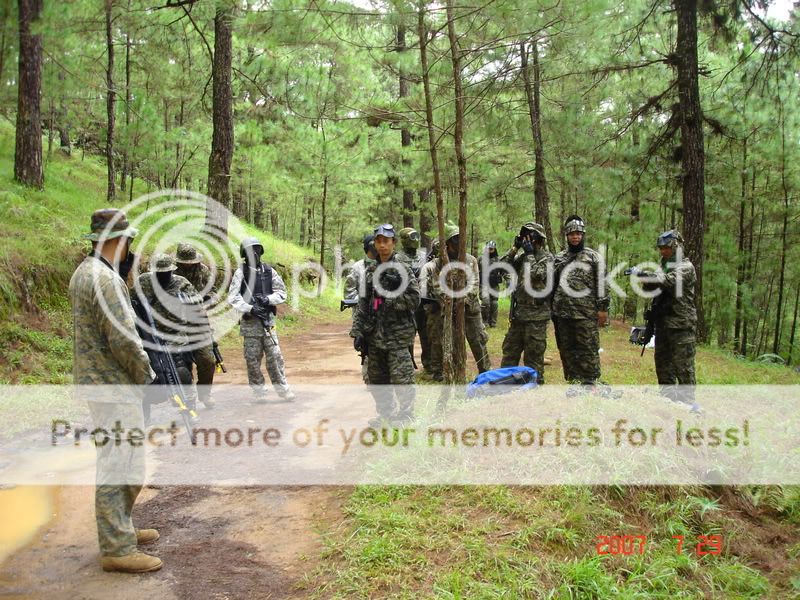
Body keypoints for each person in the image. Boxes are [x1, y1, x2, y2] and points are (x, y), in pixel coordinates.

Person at [68, 208, 162, 573]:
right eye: (128, 240)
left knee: (121, 461)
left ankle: (120, 530)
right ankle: (116, 548)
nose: (131, 247)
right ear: (116, 241)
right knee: (122, 465)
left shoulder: (84, 272)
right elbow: (125, 338)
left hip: (100, 383)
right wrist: (147, 375)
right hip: (114, 385)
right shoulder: (106, 280)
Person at [351, 223, 419, 427]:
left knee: (402, 377)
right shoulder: (370, 270)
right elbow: (363, 303)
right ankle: (386, 414)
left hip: (398, 335)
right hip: (375, 334)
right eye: (378, 241)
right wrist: (358, 332)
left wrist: (390, 298)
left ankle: (406, 415)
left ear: (393, 243)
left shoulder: (403, 268)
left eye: (386, 241)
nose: (382, 245)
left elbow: (415, 300)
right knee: (377, 378)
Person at [137, 253, 211, 413]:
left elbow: (198, 304)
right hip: (151, 337)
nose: (163, 276)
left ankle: (189, 405)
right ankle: (146, 412)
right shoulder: (143, 282)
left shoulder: (181, 283)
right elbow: (131, 302)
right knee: (148, 373)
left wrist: (184, 301)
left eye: (166, 272)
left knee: (182, 371)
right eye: (159, 273)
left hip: (176, 335)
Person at [632, 230, 697, 404]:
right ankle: (667, 401)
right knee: (663, 364)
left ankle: (687, 403)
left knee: (684, 367)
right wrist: (646, 282)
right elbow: (653, 290)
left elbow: (668, 281)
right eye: (661, 248)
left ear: (676, 247)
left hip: (681, 324)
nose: (663, 251)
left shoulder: (685, 267)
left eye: (666, 248)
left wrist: (646, 275)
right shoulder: (663, 266)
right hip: (663, 323)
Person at [227, 237, 295, 402]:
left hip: (268, 322)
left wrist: (268, 299)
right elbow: (233, 297)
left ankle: (283, 390)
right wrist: (250, 308)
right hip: (250, 323)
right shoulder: (240, 273)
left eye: (257, 250)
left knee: (275, 357)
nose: (255, 254)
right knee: (252, 359)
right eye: (251, 251)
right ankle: (259, 392)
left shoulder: (269, 271)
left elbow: (282, 293)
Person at [426, 225, 491, 375]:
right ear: (447, 243)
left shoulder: (470, 260)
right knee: (452, 344)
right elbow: (437, 286)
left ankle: (486, 373)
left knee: (478, 342)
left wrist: (463, 302)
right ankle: (454, 373)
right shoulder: (439, 263)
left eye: (460, 239)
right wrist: (451, 304)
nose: (459, 243)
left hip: (471, 311)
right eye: (455, 239)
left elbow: (474, 284)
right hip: (450, 312)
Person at [552, 215, 609, 385]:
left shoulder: (593, 257)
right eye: (571, 234)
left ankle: (591, 382)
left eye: (578, 233)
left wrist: (603, 309)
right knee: (567, 349)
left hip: (585, 313)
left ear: (583, 235)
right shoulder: (559, 258)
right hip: (562, 313)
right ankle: (573, 381)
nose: (575, 237)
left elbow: (603, 283)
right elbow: (552, 285)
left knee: (588, 349)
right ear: (567, 236)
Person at [499, 223, 553, 383]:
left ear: (538, 239)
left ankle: (534, 390)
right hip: (519, 315)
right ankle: (504, 385)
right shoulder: (522, 257)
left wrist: (529, 254)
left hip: (536, 317)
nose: (526, 240)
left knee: (534, 357)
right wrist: (514, 248)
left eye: (530, 236)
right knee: (509, 353)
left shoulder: (547, 258)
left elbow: (537, 275)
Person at [344, 234, 377, 383]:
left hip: (383, 315)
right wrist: (365, 300)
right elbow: (349, 292)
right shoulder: (358, 267)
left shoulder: (387, 264)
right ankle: (369, 377)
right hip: (363, 316)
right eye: (372, 246)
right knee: (366, 348)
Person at [398, 227, 430, 373]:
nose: (415, 240)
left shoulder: (423, 256)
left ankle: (428, 362)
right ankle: (408, 362)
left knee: (425, 332)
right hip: (406, 301)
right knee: (408, 333)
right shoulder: (397, 258)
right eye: (412, 237)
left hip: (422, 300)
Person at [419, 239, 442, 380]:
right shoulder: (429, 267)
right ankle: (436, 370)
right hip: (434, 309)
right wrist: (431, 305)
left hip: (451, 309)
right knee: (434, 339)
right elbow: (423, 290)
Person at [479, 240, 503, 327]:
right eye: (489, 248)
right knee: (485, 302)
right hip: (483, 285)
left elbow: (504, 271)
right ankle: (485, 321)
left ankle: (493, 322)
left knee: (494, 303)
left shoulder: (498, 260)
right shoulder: (481, 259)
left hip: (494, 285)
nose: (490, 250)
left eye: (492, 249)